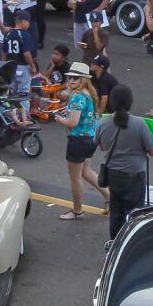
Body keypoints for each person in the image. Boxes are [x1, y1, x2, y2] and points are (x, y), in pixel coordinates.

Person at [97, 84, 153, 238]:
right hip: (134, 175)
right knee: (133, 215)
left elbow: (102, 147)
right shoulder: (139, 124)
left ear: (112, 102)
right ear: (130, 102)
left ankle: (114, 244)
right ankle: (130, 244)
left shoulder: (103, 123)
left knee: (116, 212)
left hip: (112, 174)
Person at [57, 62, 108, 220]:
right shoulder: (89, 93)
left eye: (75, 78)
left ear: (83, 79)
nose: (71, 80)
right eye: (69, 77)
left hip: (78, 141)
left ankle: (77, 211)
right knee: (86, 172)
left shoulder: (77, 96)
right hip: (90, 140)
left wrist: (60, 119)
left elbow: (72, 122)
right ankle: (110, 196)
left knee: (75, 178)